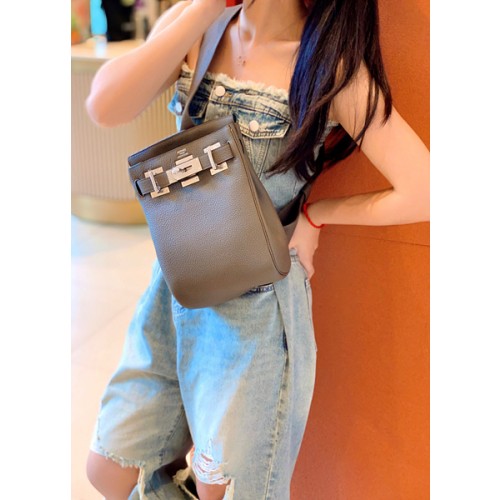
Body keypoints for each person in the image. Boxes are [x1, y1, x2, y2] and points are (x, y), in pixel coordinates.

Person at [85, 0, 430, 499]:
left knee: (222, 489)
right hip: (177, 287)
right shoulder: (199, 26)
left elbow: (423, 189)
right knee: (109, 468)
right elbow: (105, 106)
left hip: (258, 313)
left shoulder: (327, 65)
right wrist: (203, 10)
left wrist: (317, 215)